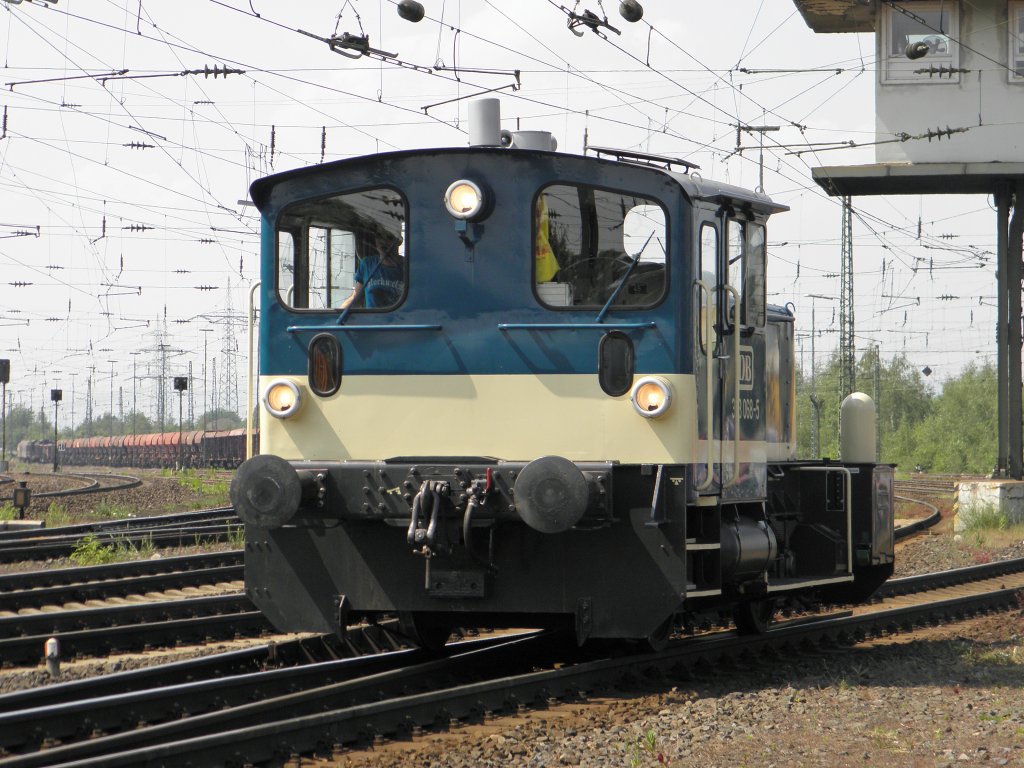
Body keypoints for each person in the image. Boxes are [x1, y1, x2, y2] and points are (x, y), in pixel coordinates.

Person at [340, 232, 404, 310]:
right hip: (373, 320)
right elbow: (356, 297)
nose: (383, 241)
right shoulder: (367, 264)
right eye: (379, 236)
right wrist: (336, 315)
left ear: (399, 241)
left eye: (389, 238)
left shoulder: (408, 267)